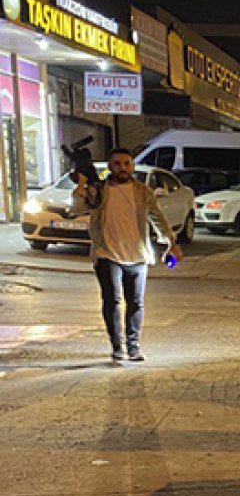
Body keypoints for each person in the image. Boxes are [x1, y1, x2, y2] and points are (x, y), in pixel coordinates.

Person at [72, 148, 182, 362]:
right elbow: (76, 209)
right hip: (107, 253)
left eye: (126, 163)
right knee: (112, 301)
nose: (122, 168)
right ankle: (117, 346)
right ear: (110, 166)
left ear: (132, 166)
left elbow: (157, 217)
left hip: (138, 255)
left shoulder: (142, 191)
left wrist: (171, 242)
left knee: (135, 302)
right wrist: (81, 185)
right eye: (117, 163)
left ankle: (133, 346)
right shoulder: (99, 190)